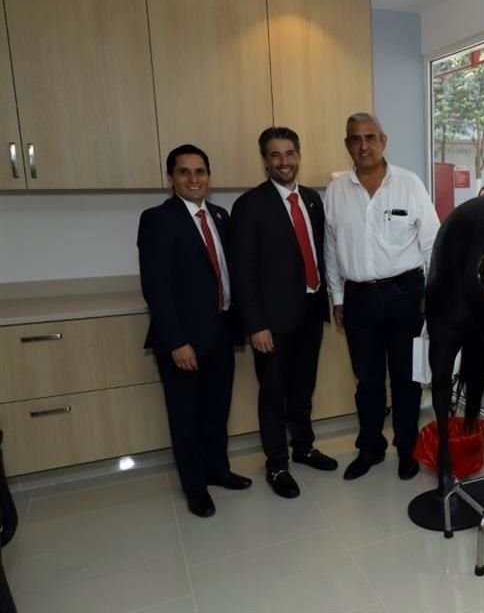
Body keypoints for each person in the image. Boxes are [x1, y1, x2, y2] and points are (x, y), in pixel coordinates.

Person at [324, 113, 440, 480]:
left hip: (406, 295)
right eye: (355, 138)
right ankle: (370, 448)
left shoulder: (409, 184)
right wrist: (338, 297)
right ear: (347, 145)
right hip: (358, 298)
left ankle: (406, 449)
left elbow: (433, 244)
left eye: (370, 137)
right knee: (368, 381)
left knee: (406, 380)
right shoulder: (337, 190)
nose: (363, 145)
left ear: (383, 141)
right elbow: (331, 247)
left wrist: (429, 294)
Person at [138, 145, 251, 518]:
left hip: (221, 330)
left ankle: (217, 471)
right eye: (184, 172)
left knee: (216, 411)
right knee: (185, 416)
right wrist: (176, 341)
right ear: (170, 177)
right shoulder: (158, 219)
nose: (193, 179)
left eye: (200, 171)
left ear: (208, 176)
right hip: (183, 339)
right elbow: (156, 287)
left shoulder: (219, 215)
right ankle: (195, 487)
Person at [230, 127, 337, 500]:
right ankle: (277, 464)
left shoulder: (311, 200)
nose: (284, 162)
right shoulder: (249, 206)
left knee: (303, 388)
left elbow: (321, 252)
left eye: (289, 153)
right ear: (264, 160)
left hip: (310, 310)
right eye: (275, 155)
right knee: (273, 394)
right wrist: (256, 324)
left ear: (299, 155)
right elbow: (243, 272)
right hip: (272, 321)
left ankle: (303, 447)